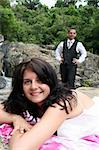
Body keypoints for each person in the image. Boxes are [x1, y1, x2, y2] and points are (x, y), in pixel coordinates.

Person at [0, 58, 99, 150]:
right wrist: (16, 119)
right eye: (27, 82)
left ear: (50, 82)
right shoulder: (26, 101)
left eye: (40, 80)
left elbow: (20, 148)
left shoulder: (63, 102)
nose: (34, 86)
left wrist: (17, 130)